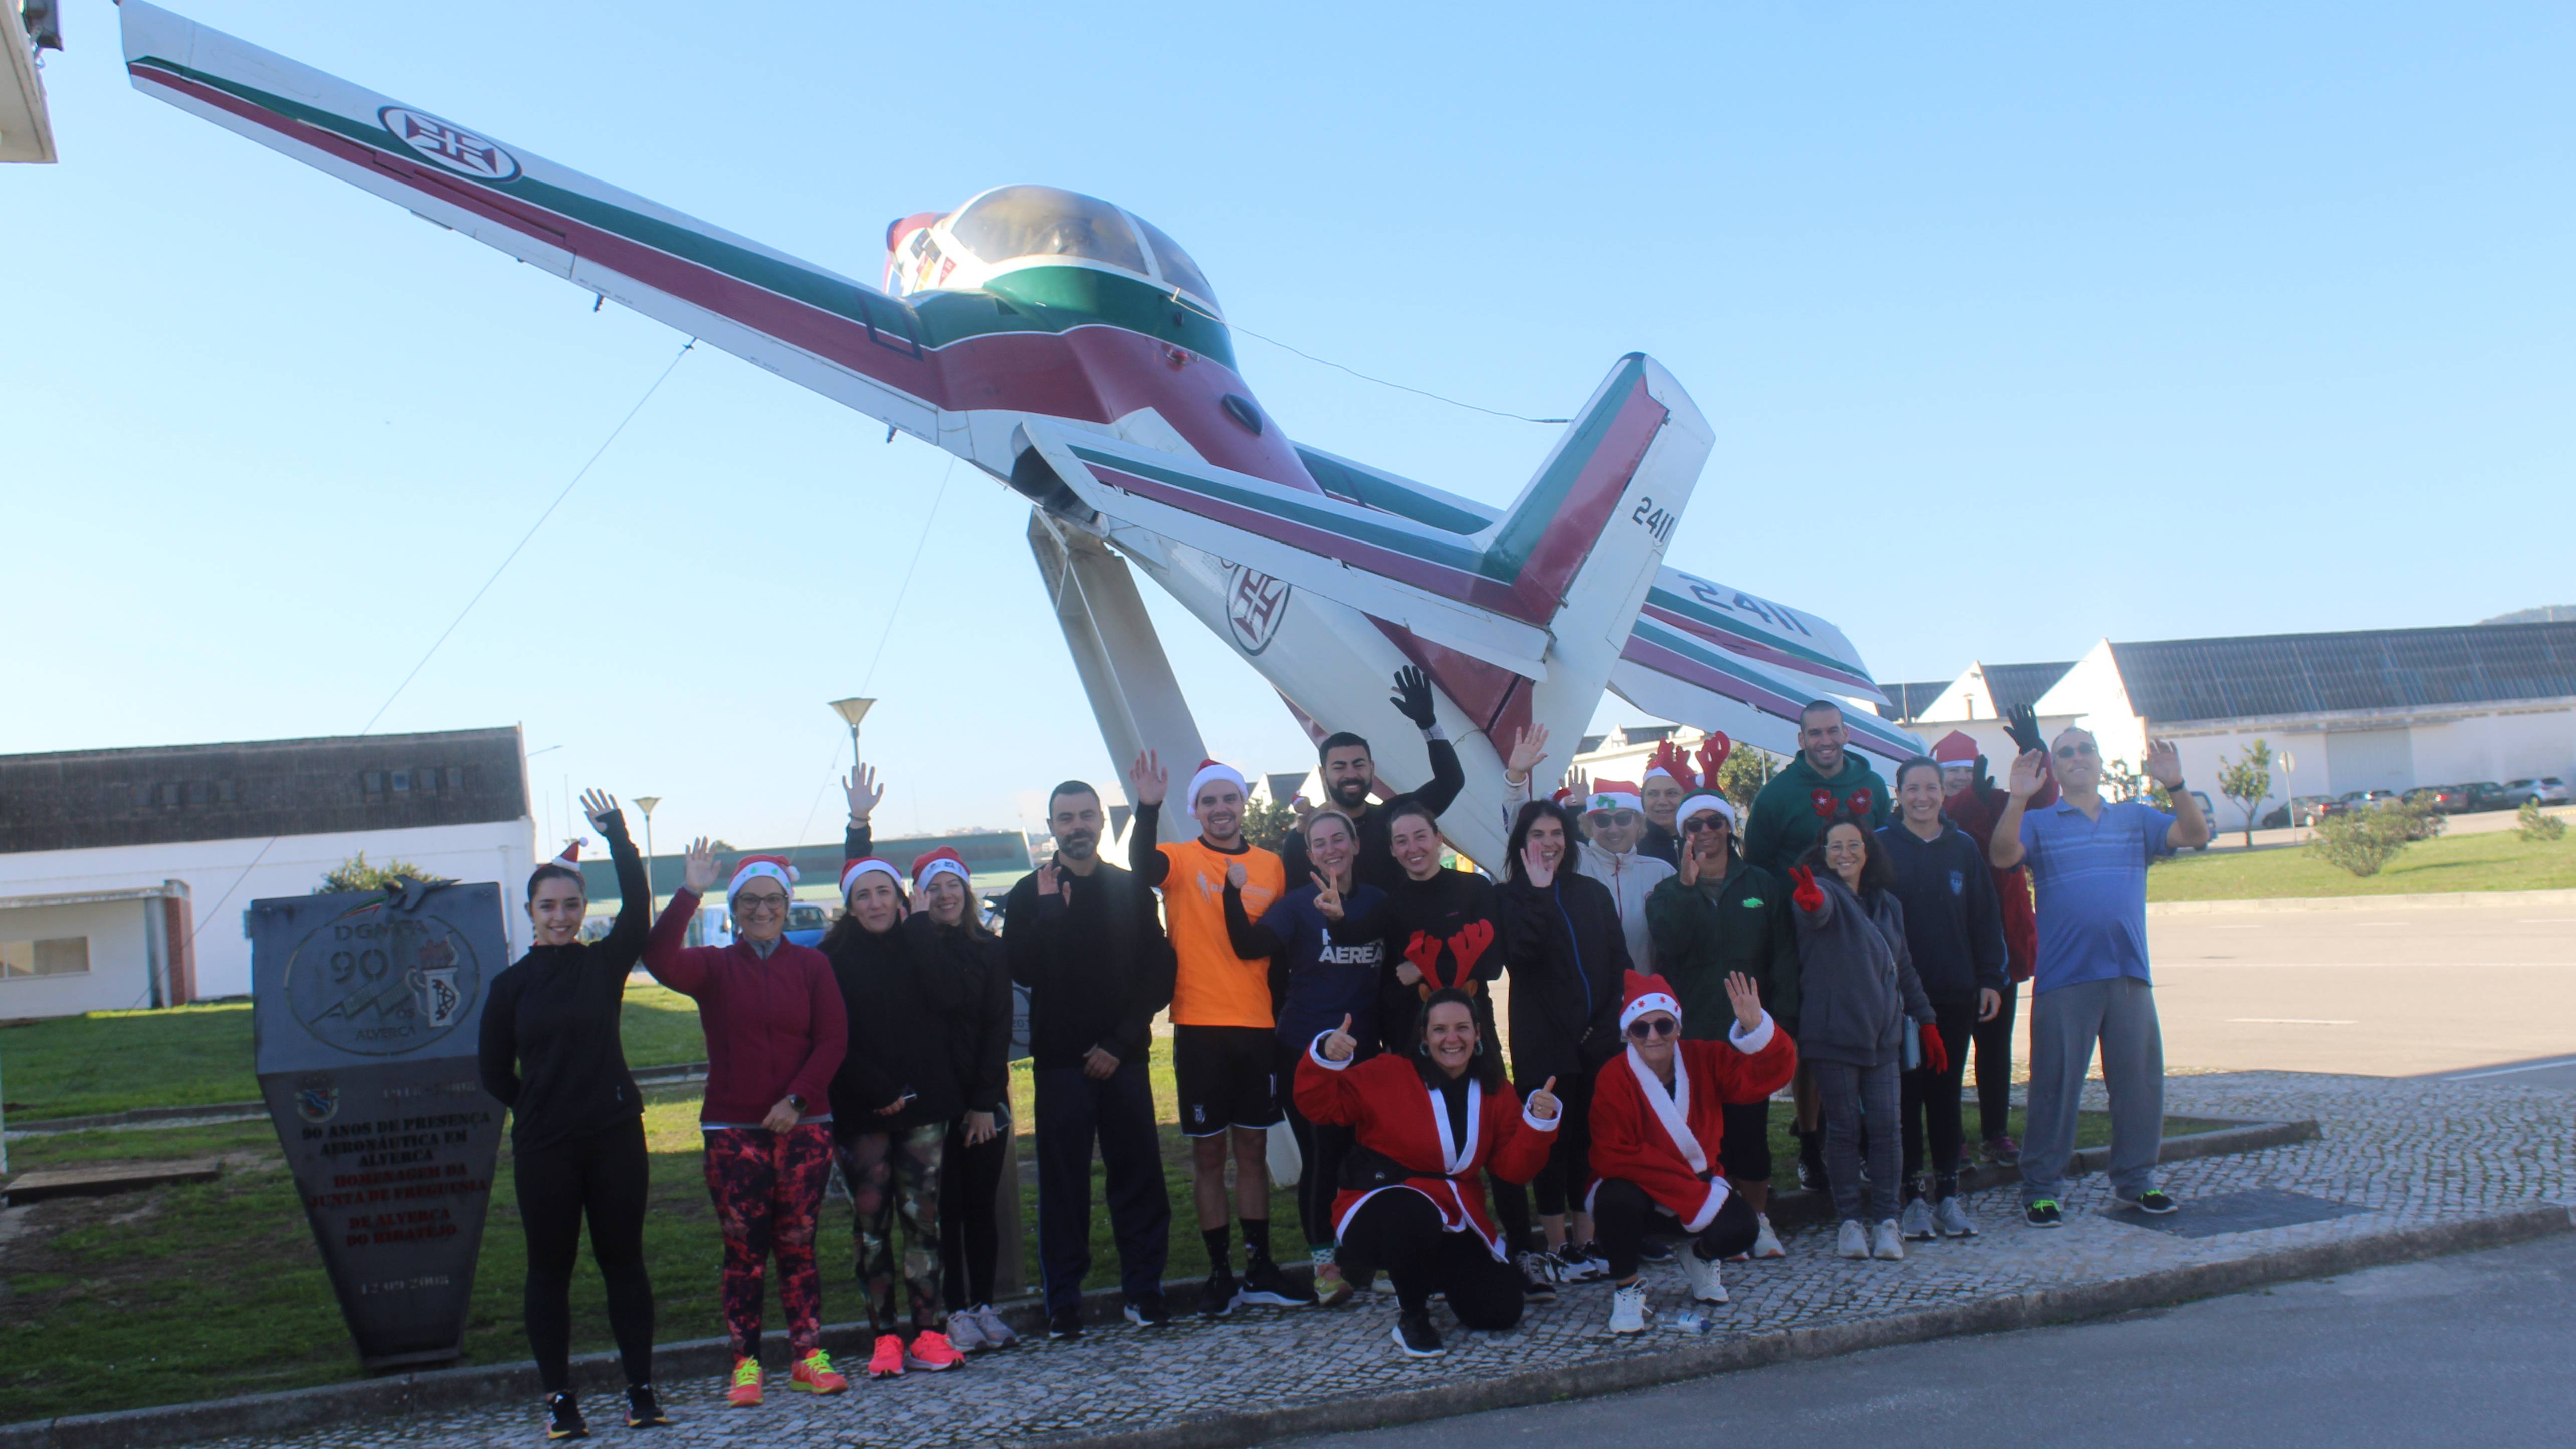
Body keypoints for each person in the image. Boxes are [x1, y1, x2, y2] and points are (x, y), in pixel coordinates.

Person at [477, 792, 669, 1441]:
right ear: (530, 912)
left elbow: (640, 911)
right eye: (547, 906)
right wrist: (535, 1107)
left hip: (614, 1135)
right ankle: (560, 1398)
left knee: (624, 1263)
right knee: (548, 1270)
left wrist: (618, 835)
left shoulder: (603, 963)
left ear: (583, 911)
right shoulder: (509, 987)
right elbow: (492, 1071)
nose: (559, 915)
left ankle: (640, 1388)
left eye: (570, 904)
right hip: (545, 1148)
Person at [644, 841, 850, 1407]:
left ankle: (809, 1355)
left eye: (774, 900)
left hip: (805, 1126)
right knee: (744, 1248)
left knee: (799, 1243)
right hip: (733, 1130)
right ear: (735, 908)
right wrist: (689, 892)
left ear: (788, 903)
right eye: (751, 901)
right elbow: (660, 957)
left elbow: (833, 1039)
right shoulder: (714, 967)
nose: (763, 911)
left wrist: (797, 1101)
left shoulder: (813, 965)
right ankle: (746, 1364)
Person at [1990, 730, 2209, 1227]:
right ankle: (2042, 1188)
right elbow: (2002, 855)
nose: (2076, 757)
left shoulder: (2135, 817)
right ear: (2055, 769)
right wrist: (2018, 797)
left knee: (2139, 1085)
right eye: (2065, 752)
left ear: (2100, 760)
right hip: (2065, 977)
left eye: (2085, 748)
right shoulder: (2040, 823)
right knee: (2054, 1086)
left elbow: (2195, 835)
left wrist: (2175, 784)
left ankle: (2137, 1182)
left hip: (2129, 972)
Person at [1127, 751, 1316, 1313]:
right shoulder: (1181, 859)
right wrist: (1147, 805)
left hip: (1258, 1026)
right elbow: (1141, 867)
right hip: (1200, 1024)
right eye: (1208, 801)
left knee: (1253, 1149)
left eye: (1228, 798)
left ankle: (1260, 1267)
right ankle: (1219, 1274)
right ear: (1197, 810)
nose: (1220, 809)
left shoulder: (1271, 866)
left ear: (1241, 803)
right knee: (1209, 1157)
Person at [1294, 991, 1563, 1357]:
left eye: (1461, 1028)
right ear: (1423, 1036)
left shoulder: (1495, 1091)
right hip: (1377, 1207)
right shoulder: (1386, 1072)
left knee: (1499, 1311)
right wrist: (1325, 1054)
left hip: (1451, 1217)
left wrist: (1537, 1124)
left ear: (1478, 1034)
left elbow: (1513, 1170)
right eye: (1439, 1030)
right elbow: (1319, 1105)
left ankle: (1427, 1273)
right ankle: (1412, 1316)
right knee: (1413, 1213)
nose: (1451, 1039)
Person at [1004, 781, 1176, 1338]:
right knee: (1062, 1185)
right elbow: (1023, 969)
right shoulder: (1029, 893)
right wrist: (1052, 914)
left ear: (1101, 821)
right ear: (1051, 826)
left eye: (1085, 816)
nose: (1076, 826)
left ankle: (1144, 1290)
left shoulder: (1132, 891)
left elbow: (1159, 975)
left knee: (1139, 1177)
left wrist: (1120, 1042)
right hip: (1059, 1064)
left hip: (1123, 1057)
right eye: (1064, 818)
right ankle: (1064, 1301)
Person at [820, 775, 969, 1379]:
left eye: (887, 892)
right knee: (872, 1226)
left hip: (924, 1107)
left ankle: (930, 1331)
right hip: (862, 1110)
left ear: (902, 899)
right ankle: (884, 1335)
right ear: (852, 905)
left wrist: (923, 934)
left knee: (923, 1223)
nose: (877, 902)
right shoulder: (831, 959)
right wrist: (858, 825)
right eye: (866, 895)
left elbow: (951, 999)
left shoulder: (921, 941)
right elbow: (832, 1037)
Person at [1221, 807, 1385, 1306]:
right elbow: (1249, 945)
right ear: (1308, 853)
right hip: (1305, 1052)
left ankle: (1367, 1257)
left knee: (1369, 1155)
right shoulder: (1297, 906)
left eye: (1340, 839)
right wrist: (1231, 892)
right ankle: (1325, 1267)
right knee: (1321, 1155)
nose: (1331, 848)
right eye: (1320, 843)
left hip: (1367, 1054)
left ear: (1356, 846)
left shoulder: (1379, 901)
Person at [1587, 969, 1798, 1332]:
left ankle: (1698, 1257)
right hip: (1645, 1192)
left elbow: (1768, 1077)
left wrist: (1756, 1028)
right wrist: (1691, 1194)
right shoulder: (1612, 1076)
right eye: (1641, 1028)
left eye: (1663, 1025)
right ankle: (1627, 1287)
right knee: (1612, 1201)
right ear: (1628, 1035)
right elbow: (1611, 1154)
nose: (1653, 1036)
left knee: (1744, 1228)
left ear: (1678, 1028)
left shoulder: (1706, 1059)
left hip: (1697, 1184)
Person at [1643, 790, 1799, 1260]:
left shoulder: (1762, 885)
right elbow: (1672, 943)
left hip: (1746, 1033)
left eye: (1715, 821)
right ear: (1683, 833)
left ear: (1729, 827)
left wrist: (1781, 1023)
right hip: (1692, 1036)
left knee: (1750, 1131)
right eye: (1694, 825)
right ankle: (1722, 1224)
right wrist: (1688, 888)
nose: (1706, 831)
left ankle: (1760, 1219)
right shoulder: (1668, 892)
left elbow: (1784, 957)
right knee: (1704, 1137)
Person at [1744, 700, 1893, 1192]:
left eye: (1833, 730)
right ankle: (1812, 1147)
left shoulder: (1871, 786)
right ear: (1801, 739)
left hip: (1867, 933)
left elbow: (1885, 850)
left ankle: (1869, 1139)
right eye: (1815, 733)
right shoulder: (1777, 796)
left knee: (1873, 1030)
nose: (1825, 740)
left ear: (1846, 733)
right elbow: (1761, 869)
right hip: (1804, 936)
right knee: (1812, 1043)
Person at [1490, 799, 1627, 1290]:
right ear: (1521, 844)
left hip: (1596, 1040)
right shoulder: (1508, 897)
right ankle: (1554, 1244)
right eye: (1537, 835)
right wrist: (1542, 895)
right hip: (1542, 1044)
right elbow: (1521, 955)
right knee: (1550, 1146)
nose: (1548, 843)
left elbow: (1619, 962)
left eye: (1556, 834)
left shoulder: (1591, 892)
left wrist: (1607, 1025)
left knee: (1589, 1144)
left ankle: (1586, 1240)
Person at [1785, 818, 1935, 1263]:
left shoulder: (1888, 904)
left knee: (1889, 1129)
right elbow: (1816, 913)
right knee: (1846, 1130)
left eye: (1854, 845)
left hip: (1884, 1036)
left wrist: (1925, 1020)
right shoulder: (1821, 892)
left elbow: (1903, 967)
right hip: (1832, 1035)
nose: (1845, 853)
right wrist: (1810, 902)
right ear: (1823, 852)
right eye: (1835, 846)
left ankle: (1887, 1220)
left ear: (1868, 852)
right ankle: (1850, 1221)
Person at [1879, 756, 2007, 1241]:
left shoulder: (1963, 849)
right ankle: (1912, 1200)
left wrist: (1991, 978)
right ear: (1899, 793)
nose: (1922, 798)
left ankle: (1949, 1197)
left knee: (1947, 1095)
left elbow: (1984, 917)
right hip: (1901, 1001)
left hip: (1955, 994)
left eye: (1930, 788)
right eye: (1912, 789)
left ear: (1942, 793)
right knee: (1906, 1100)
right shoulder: (1881, 847)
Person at [1932, 709, 2054, 1165]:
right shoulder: (1934, 810)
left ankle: (1995, 1132)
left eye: (1968, 770)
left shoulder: (2000, 799)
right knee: (1949, 1052)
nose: (1962, 779)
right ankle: (1951, 1138)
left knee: (1995, 1047)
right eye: (1954, 773)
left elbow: (2042, 804)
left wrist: (2034, 755)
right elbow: (1959, 837)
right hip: (1949, 953)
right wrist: (1973, 802)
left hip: (1999, 946)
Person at [918, 850, 1016, 1357]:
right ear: (921, 897)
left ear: (967, 891)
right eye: (934, 888)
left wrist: (983, 1103)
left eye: (952, 886)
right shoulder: (912, 951)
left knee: (981, 1207)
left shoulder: (990, 950)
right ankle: (953, 1308)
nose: (945, 896)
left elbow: (998, 1026)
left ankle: (983, 1303)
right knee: (945, 1209)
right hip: (933, 1101)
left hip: (982, 1099)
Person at [1316, 797, 1504, 1056]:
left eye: (1420, 837)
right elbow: (1350, 936)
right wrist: (1336, 915)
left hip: (1472, 1027)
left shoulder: (1476, 889)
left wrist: (1421, 969)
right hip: (1416, 1034)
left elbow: (1492, 965)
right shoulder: (1393, 903)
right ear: (1392, 850)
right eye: (1402, 842)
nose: (1413, 848)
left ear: (1438, 838)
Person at [1279, 665, 1466, 892]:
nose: (1351, 774)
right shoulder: (1306, 836)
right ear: (1323, 775)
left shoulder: (1395, 817)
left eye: (1359, 765)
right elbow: (1295, 904)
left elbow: (1451, 782)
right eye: (1340, 767)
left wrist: (1428, 724)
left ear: (1372, 769)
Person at [1499, 757, 1675, 974]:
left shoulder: (1662, 872)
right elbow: (1524, 831)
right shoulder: (1571, 861)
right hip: (1589, 1001)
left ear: (1639, 823)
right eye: (1602, 820)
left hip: (1645, 1001)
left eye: (1622, 819)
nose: (1613, 829)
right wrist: (1516, 779)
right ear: (1589, 825)